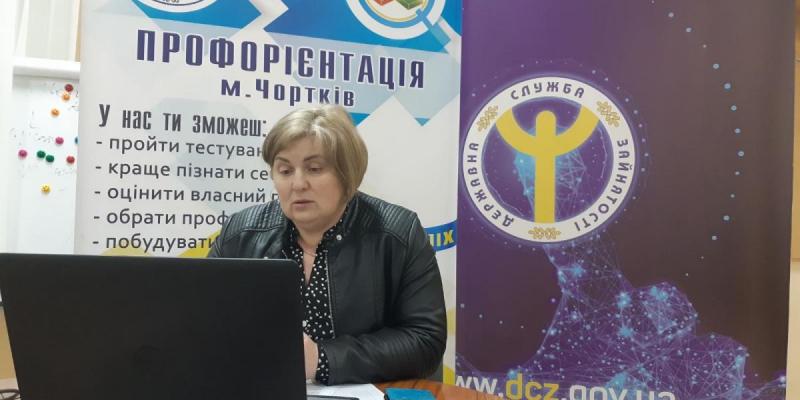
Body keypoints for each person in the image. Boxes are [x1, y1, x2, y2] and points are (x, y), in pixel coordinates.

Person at [207, 105, 446, 385]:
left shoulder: (397, 233)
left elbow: (424, 340)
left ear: (347, 174)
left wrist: (322, 359)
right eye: (285, 170)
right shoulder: (241, 234)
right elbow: (201, 322)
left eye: (314, 169)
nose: (298, 184)